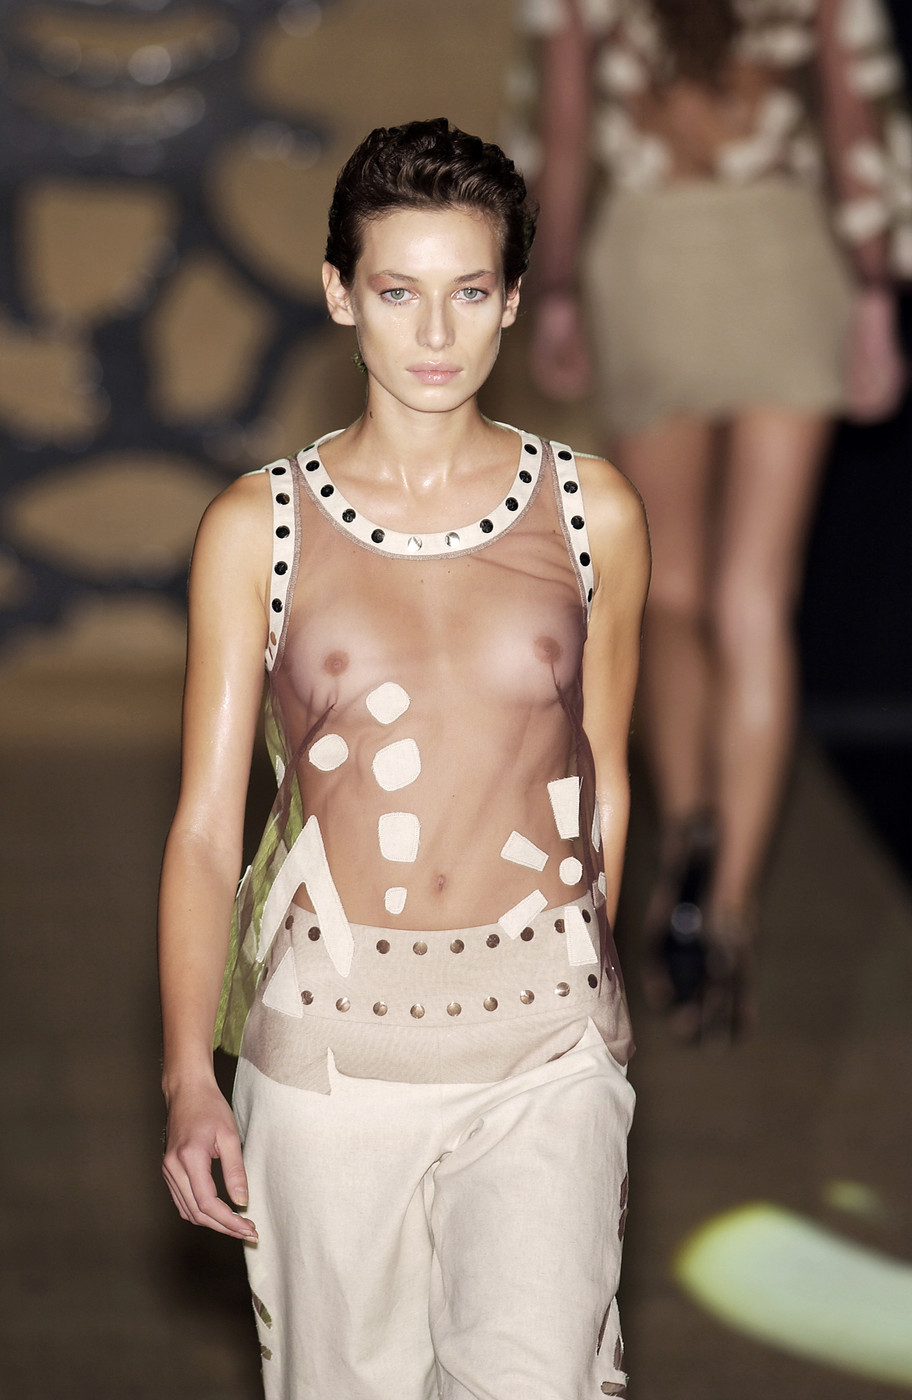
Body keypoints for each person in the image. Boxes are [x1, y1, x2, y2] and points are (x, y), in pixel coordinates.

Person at [158, 118, 649, 1400]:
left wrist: (595, 1008)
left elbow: (603, 769)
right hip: (326, 1055)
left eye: (469, 291)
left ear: (513, 301)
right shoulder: (257, 526)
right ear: (340, 295)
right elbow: (207, 828)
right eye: (397, 291)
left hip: (544, 1048)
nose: (436, 331)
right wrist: (188, 1075)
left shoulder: (591, 509)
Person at [525, 0, 910, 1040]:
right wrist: (878, 295)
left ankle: (687, 841)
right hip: (785, 252)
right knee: (754, 601)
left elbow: (565, 134)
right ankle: (728, 908)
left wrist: (551, 292)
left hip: (652, 257)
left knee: (670, 592)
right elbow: (854, 124)